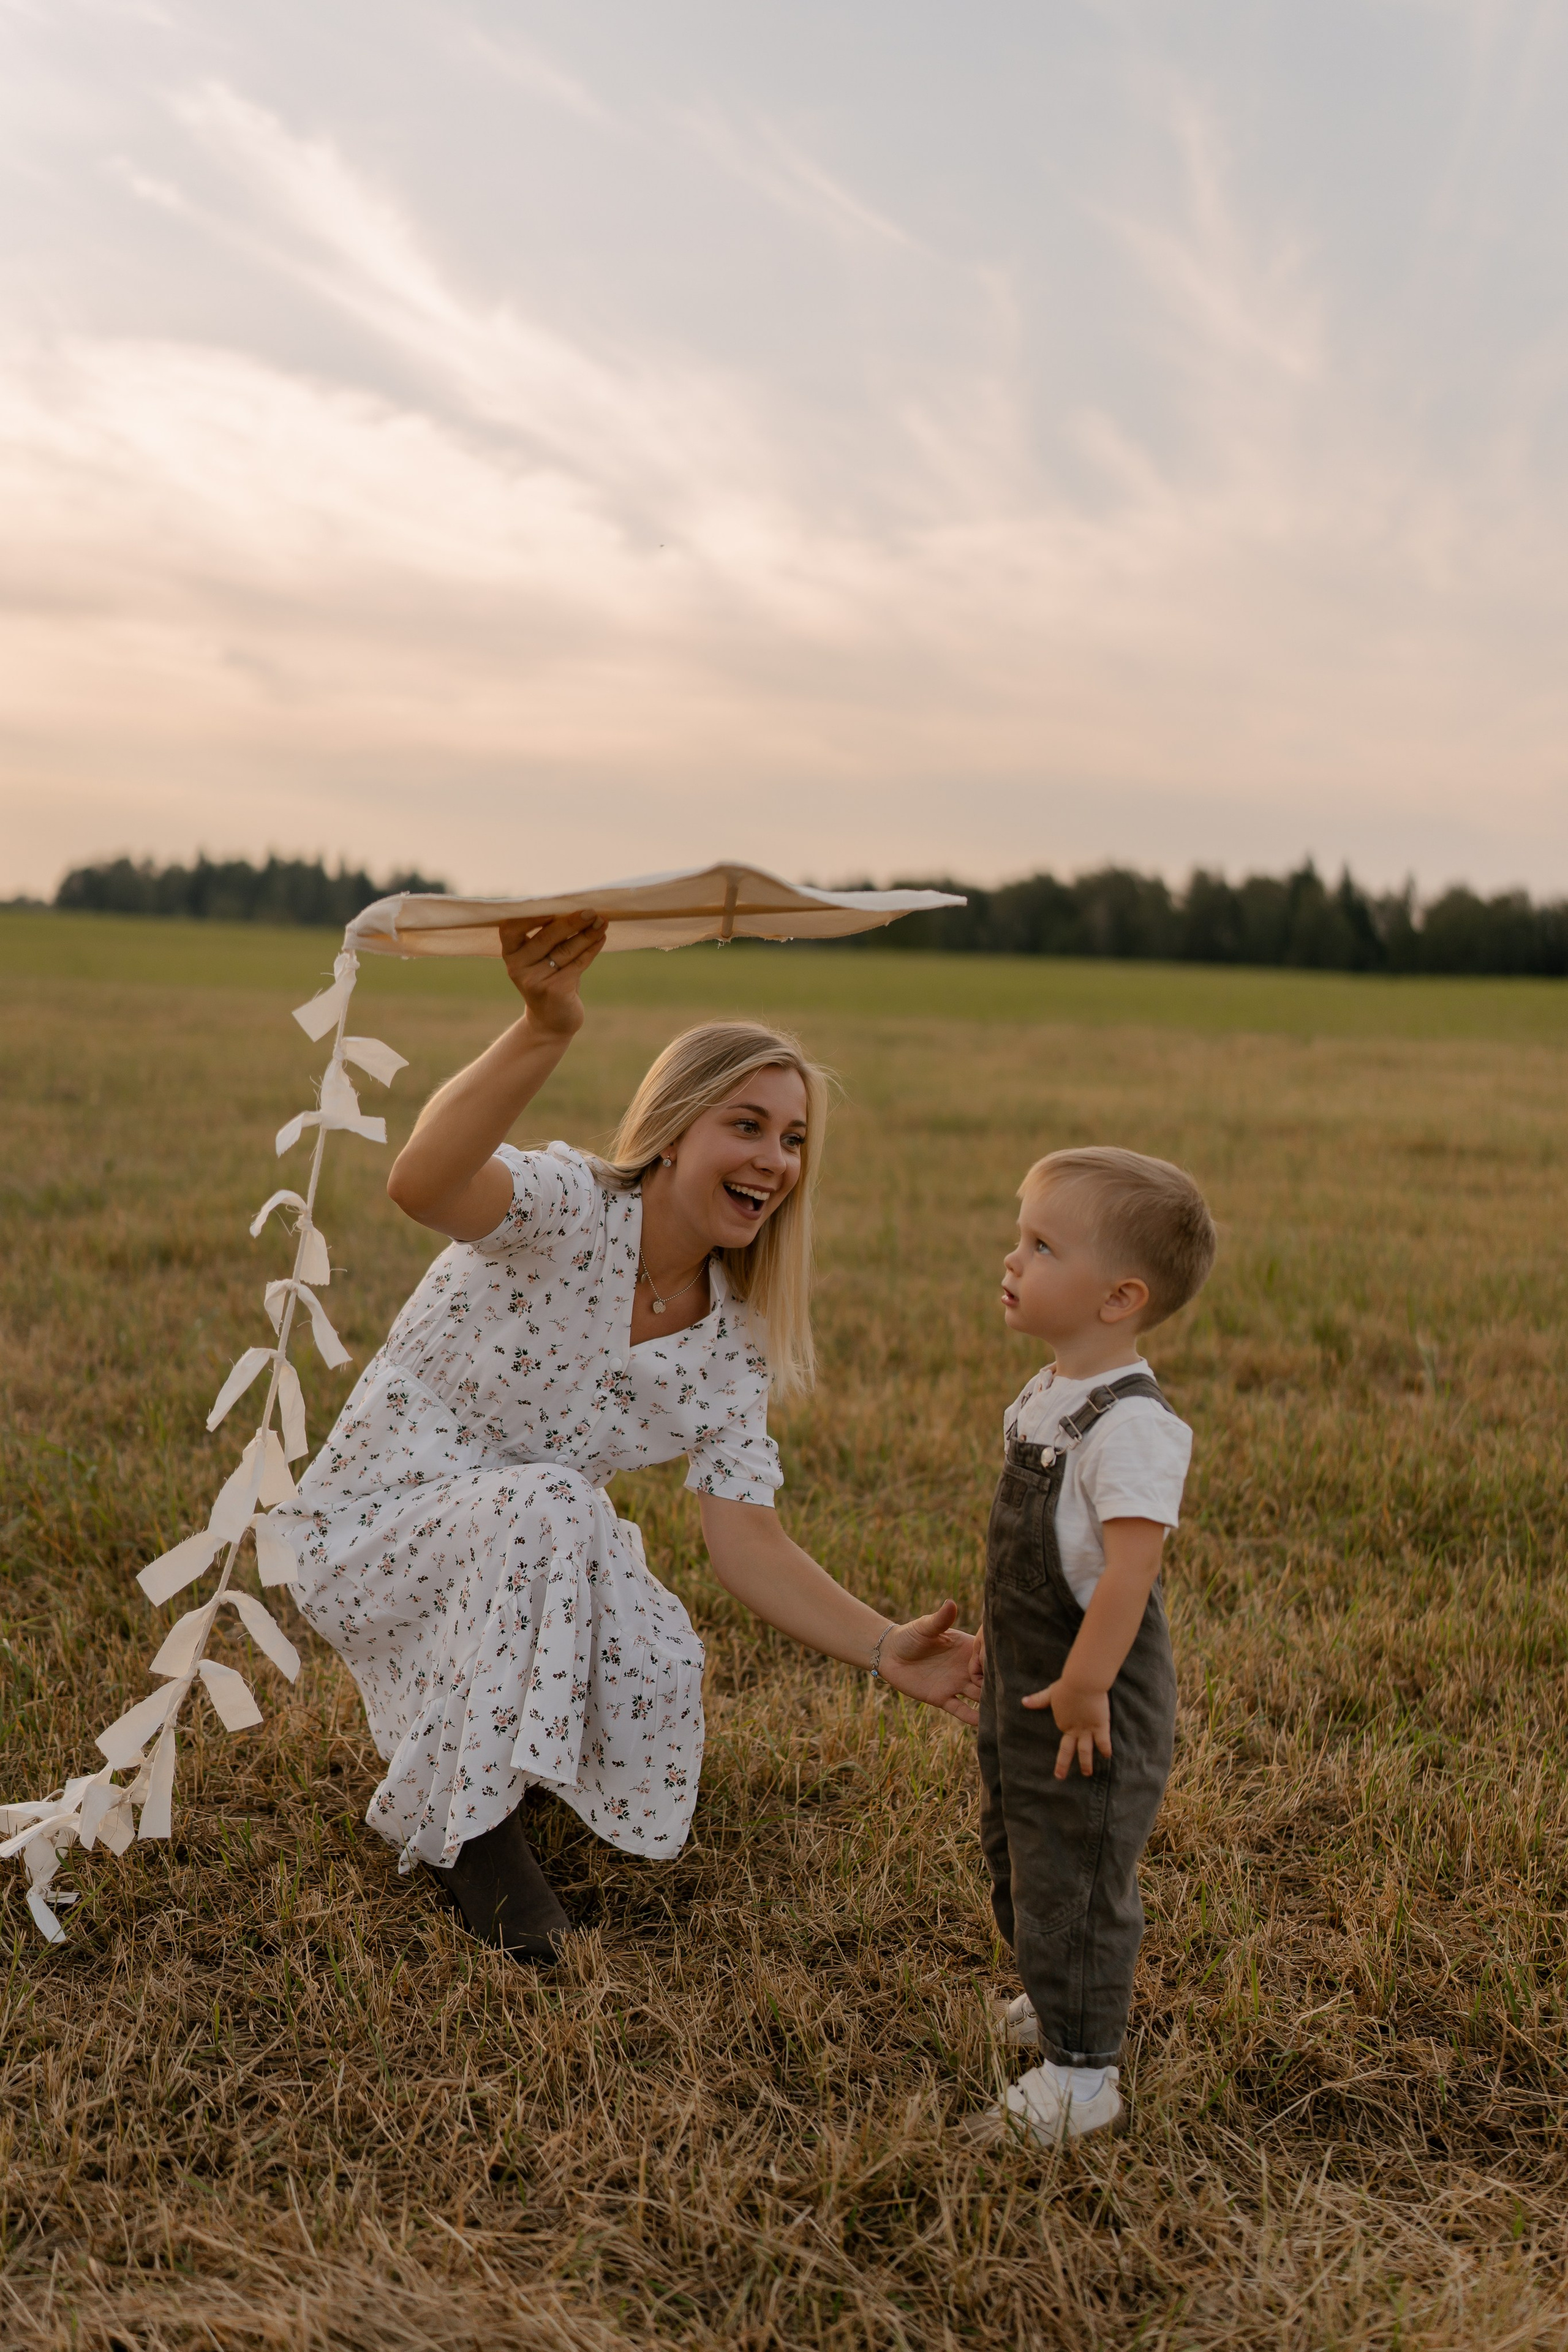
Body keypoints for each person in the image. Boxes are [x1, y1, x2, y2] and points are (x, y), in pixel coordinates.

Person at [276, 910, 983, 1961]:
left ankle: (497, 1755)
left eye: (794, 1140)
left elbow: (748, 1540)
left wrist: (886, 1650)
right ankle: (472, 1840)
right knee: (554, 1499)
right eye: (746, 1126)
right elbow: (421, 1184)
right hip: (371, 1527)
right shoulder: (567, 1206)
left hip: (524, 1544)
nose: (776, 1160)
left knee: (659, 1664)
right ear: (675, 1130)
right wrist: (544, 1028)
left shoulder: (736, 1337)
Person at [964, 1145, 1216, 2146]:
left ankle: (1084, 2075)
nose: (1013, 1258)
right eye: (1019, 1235)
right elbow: (1040, 1554)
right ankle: (1054, 1989)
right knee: (1018, 1844)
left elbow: (1129, 1572)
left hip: (1089, 1693)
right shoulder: (1050, 1391)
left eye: (1041, 1245)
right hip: (1037, 1676)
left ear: (1119, 1298)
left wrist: (1084, 1683)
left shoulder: (1134, 1427)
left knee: (1074, 1865)